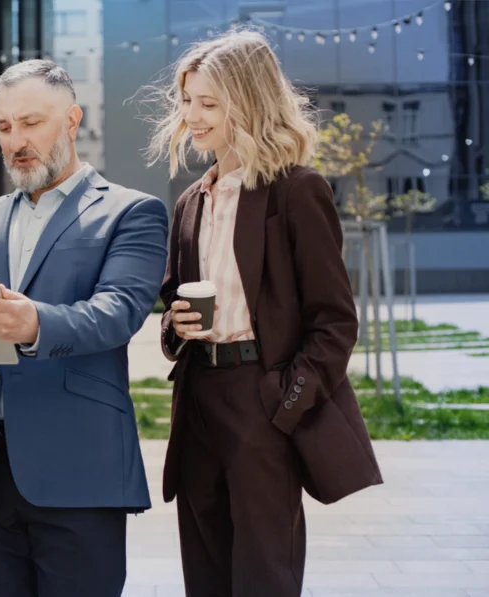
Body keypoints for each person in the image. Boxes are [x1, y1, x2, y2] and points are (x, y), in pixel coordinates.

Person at [0, 59, 169, 597]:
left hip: (78, 468)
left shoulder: (131, 212)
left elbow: (119, 311)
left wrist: (34, 325)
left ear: (72, 120)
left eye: (31, 123)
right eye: (4, 127)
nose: (16, 140)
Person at [147, 29, 383, 597]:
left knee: (263, 575)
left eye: (209, 103)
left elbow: (335, 322)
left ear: (249, 103)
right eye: (187, 100)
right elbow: (175, 303)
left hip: (264, 400)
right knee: (203, 572)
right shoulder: (190, 201)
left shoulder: (297, 191)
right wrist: (175, 328)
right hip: (199, 395)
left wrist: (286, 403)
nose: (192, 116)